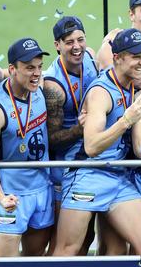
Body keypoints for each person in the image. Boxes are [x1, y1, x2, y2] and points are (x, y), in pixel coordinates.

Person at [52, 29, 141, 256]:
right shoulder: (101, 93)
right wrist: (125, 121)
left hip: (117, 178)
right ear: (117, 58)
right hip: (86, 175)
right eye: (135, 56)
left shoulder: (134, 87)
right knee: (68, 251)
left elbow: (140, 148)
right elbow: (91, 146)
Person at [0, 38, 53, 256]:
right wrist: (1, 197)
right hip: (12, 194)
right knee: (6, 262)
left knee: (34, 258)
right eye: (29, 68)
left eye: (39, 67)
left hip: (42, 189)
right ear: (12, 69)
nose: (36, 73)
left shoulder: (39, 89)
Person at [43, 16, 99, 256]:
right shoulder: (53, 85)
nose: (76, 46)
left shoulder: (91, 59)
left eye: (80, 39)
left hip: (89, 158)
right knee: (61, 242)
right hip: (63, 169)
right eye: (69, 42)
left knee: (88, 236)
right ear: (57, 45)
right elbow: (51, 139)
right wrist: (81, 129)